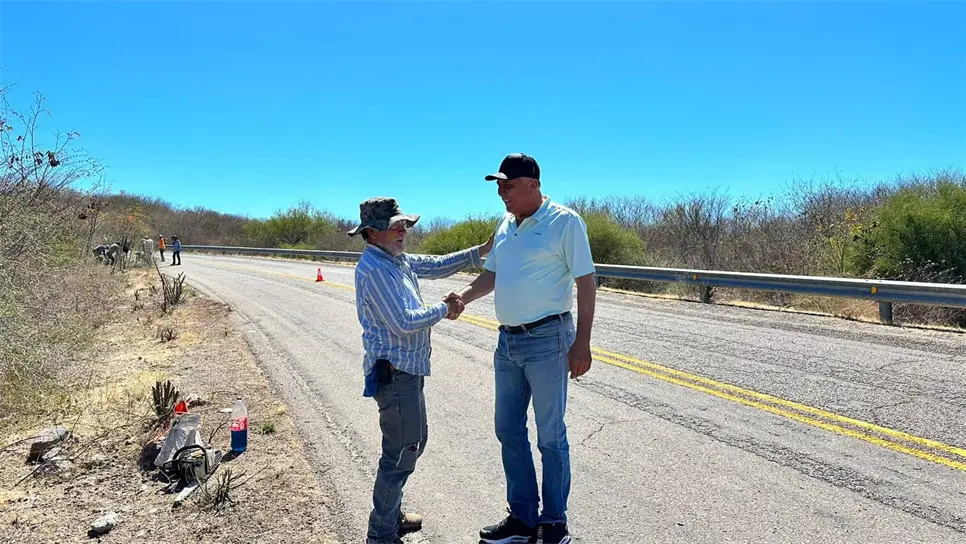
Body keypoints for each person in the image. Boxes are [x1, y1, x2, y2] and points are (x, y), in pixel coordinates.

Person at [446, 153, 597, 544]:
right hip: (507, 341)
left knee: (550, 435)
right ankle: (523, 518)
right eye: (498, 187)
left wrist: (582, 341)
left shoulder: (565, 222)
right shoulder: (504, 224)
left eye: (507, 186)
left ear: (532, 183)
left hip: (549, 339)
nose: (501, 193)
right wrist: (462, 296)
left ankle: (554, 521)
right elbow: (493, 274)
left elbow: (586, 281)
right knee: (508, 429)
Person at [348, 196, 493, 544]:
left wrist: (480, 251)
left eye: (404, 225)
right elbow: (403, 322)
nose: (403, 231)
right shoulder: (374, 270)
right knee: (401, 454)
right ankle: (381, 533)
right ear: (372, 232)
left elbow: (436, 264)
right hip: (395, 374)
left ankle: (389, 516)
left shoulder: (396, 261)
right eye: (395, 226)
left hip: (407, 372)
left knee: (411, 444)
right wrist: (446, 308)